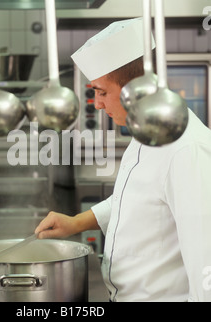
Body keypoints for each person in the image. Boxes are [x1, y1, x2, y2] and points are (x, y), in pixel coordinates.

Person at [35, 18, 211, 302]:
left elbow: (207, 264)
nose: (97, 104)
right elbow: (135, 199)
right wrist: (75, 223)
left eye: (102, 91)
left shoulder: (187, 149)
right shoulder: (147, 131)